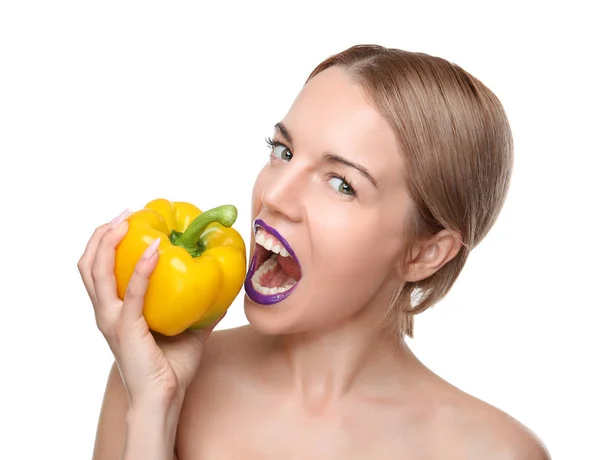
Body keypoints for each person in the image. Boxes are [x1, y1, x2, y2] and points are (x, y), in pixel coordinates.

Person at [79, 44, 550, 459]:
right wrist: (154, 409)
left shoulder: (496, 452)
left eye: (342, 183)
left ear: (425, 253)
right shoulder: (150, 375)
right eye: (282, 151)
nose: (275, 196)